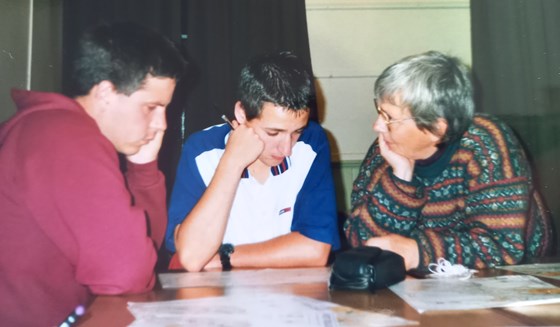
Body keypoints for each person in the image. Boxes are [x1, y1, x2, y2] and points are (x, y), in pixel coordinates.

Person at [0, 22, 186, 326]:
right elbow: (127, 274)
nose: (161, 124)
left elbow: (145, 252)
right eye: (152, 107)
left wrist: (143, 170)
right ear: (105, 93)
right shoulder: (65, 137)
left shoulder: (60, 131)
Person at [343, 51, 551, 271]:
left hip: (517, 275)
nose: (377, 126)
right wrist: (400, 179)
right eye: (379, 111)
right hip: (427, 283)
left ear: (436, 129)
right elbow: (361, 241)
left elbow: (502, 247)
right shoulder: (385, 150)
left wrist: (416, 253)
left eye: (389, 117)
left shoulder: (485, 142)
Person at [166, 51, 340, 272]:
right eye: (273, 132)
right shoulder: (201, 150)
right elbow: (192, 256)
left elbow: (315, 250)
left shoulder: (313, 142)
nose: (286, 149)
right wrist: (232, 163)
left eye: (296, 132)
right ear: (241, 113)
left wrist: (224, 258)